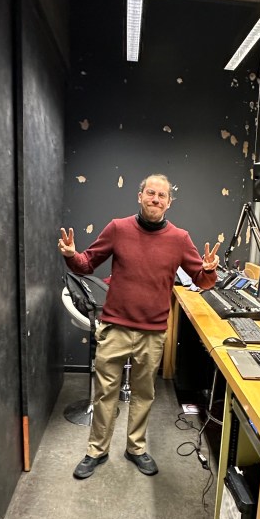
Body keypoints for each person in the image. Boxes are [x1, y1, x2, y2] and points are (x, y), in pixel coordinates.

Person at [58, 173, 220, 480]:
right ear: (140, 196)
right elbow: (86, 263)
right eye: (150, 193)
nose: (155, 199)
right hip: (115, 327)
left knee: (144, 395)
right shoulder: (118, 228)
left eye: (162, 195)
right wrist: (70, 255)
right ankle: (96, 450)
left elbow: (201, 280)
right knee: (105, 394)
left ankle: (136, 448)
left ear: (169, 203)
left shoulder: (180, 239)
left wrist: (209, 270)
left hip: (153, 332)